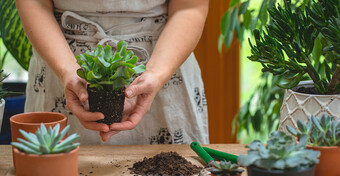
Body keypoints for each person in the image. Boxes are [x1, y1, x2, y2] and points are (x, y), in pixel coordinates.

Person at [16, 0, 209, 145]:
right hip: (60, 61)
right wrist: (67, 71)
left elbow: (189, 7)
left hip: (163, 64)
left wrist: (156, 74)